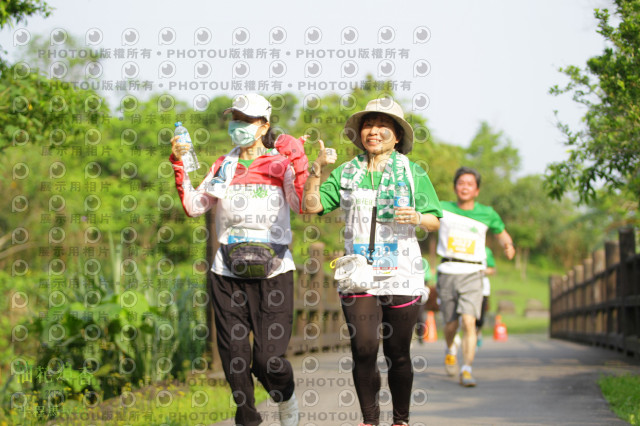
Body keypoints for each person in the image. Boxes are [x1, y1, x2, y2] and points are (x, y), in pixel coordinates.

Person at [169, 93, 308, 426]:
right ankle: (247, 416)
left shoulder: (281, 163)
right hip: (227, 269)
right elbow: (193, 206)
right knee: (234, 354)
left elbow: (302, 203)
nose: (239, 126)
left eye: (247, 121)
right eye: (236, 120)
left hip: (274, 270)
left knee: (268, 359)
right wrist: (177, 164)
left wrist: (299, 158)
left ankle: (285, 396)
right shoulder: (223, 165)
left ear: (264, 126)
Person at [303, 98, 442, 426]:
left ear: (397, 136)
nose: (373, 131)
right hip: (359, 274)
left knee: (398, 354)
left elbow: (436, 218)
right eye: (368, 124)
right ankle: (369, 420)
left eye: (383, 125)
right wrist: (314, 172)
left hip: (402, 273)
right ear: (359, 133)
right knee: (364, 349)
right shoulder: (346, 172)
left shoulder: (412, 171)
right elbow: (311, 206)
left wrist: (419, 216)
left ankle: (400, 420)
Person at [436, 166, 515, 387]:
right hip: (448, 271)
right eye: (461, 183)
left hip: (473, 272)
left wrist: (508, 245)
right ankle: (450, 348)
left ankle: (467, 369)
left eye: (470, 184)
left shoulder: (487, 213)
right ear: (455, 187)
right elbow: (427, 220)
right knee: (450, 325)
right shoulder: (442, 208)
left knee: (469, 322)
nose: (465, 187)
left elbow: (502, 233)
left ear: (477, 190)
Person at [475, 246, 496, 347]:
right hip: (467, 286)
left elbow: (492, 269)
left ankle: (478, 333)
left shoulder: (486, 250)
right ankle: (470, 336)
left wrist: (479, 270)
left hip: (483, 288)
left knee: (480, 318)